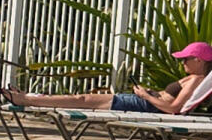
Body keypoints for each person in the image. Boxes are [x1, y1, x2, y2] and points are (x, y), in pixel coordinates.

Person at [12, 40, 212, 114]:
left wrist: (145, 95)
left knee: (82, 100)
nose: (183, 62)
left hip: (144, 105)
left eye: (187, 59)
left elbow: (173, 108)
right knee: (82, 99)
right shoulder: (195, 78)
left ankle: (26, 99)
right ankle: (29, 97)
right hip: (144, 102)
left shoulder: (196, 80)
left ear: (200, 60)